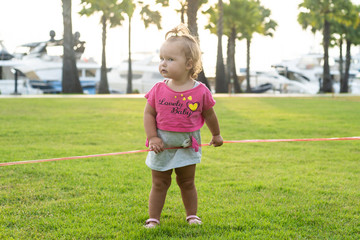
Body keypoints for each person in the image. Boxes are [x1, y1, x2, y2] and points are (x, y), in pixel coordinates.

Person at [143, 24, 223, 228]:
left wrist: (216, 135)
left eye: (170, 59)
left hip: (187, 143)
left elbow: (209, 114)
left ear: (188, 64)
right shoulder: (158, 89)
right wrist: (153, 138)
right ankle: (153, 219)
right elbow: (149, 113)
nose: (163, 64)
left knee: (187, 182)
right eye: (162, 58)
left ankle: (192, 216)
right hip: (162, 144)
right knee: (160, 183)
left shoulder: (201, 91)